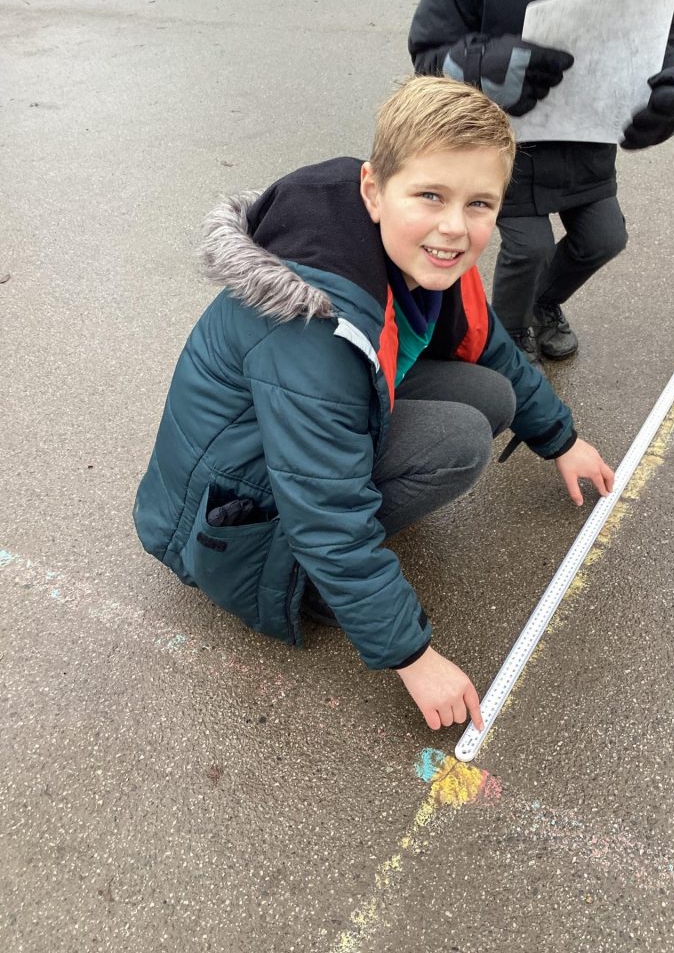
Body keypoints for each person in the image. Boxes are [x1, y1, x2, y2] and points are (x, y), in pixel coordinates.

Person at [133, 76, 614, 731]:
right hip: (229, 526)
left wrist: (561, 439)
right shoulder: (312, 330)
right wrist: (412, 656)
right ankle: (310, 586)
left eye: (479, 203)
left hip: (289, 458)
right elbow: (325, 513)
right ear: (373, 190)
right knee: (458, 443)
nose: (454, 227)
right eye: (431, 196)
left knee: (490, 395)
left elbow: (492, 348)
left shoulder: (418, 251)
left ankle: (349, 564)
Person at [408, 0, 674, 365]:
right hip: (503, 145)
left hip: (587, 140)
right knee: (530, 248)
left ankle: (542, 303)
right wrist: (489, 67)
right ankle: (507, 333)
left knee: (604, 238)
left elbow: (663, 32)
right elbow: (429, 55)